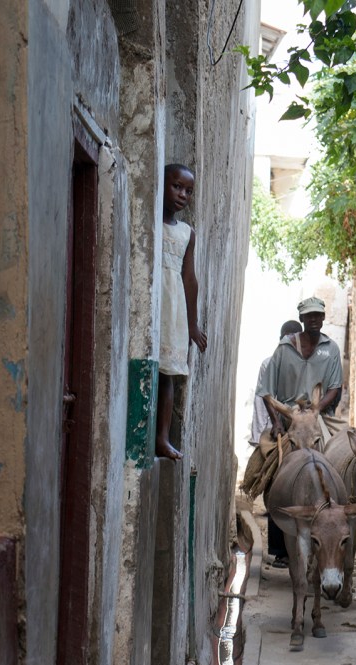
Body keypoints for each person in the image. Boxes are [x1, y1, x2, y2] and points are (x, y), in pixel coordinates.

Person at [156, 164, 207, 460]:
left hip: (173, 306)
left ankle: (162, 438)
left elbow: (189, 279)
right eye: (176, 186)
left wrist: (192, 324)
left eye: (188, 191)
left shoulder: (187, 233)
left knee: (168, 375)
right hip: (153, 300)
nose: (182, 195)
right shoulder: (150, 220)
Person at [250, 320, 303, 568]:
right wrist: (273, 427)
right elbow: (265, 398)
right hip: (276, 431)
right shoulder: (269, 364)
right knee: (275, 482)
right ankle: (280, 550)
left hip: (301, 430)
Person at [256, 296, 343, 439]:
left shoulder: (332, 348)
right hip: (289, 417)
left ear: (323, 317)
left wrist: (316, 409)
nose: (313, 319)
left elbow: (334, 388)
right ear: (301, 318)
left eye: (317, 314)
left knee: (348, 446)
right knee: (264, 451)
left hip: (318, 417)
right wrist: (276, 422)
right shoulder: (284, 348)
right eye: (308, 315)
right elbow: (266, 391)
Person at [250, 320, 302, 446]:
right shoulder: (268, 364)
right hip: (275, 426)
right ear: (280, 340)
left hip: (300, 424)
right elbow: (262, 401)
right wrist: (262, 434)